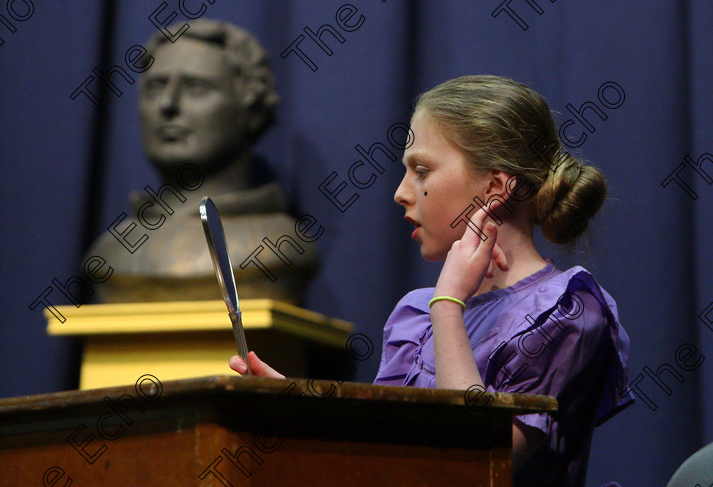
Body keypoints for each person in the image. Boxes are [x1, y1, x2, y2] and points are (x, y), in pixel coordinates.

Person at [230, 75, 632, 487]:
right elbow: (389, 465)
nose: (401, 193)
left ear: (493, 187)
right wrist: (302, 414)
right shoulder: (416, 314)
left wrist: (447, 306)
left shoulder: (568, 312)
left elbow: (471, 466)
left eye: (421, 170)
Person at [85, 19, 317, 303]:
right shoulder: (112, 250)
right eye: (156, 88)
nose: (167, 104)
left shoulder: (278, 246)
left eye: (196, 88)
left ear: (251, 107)